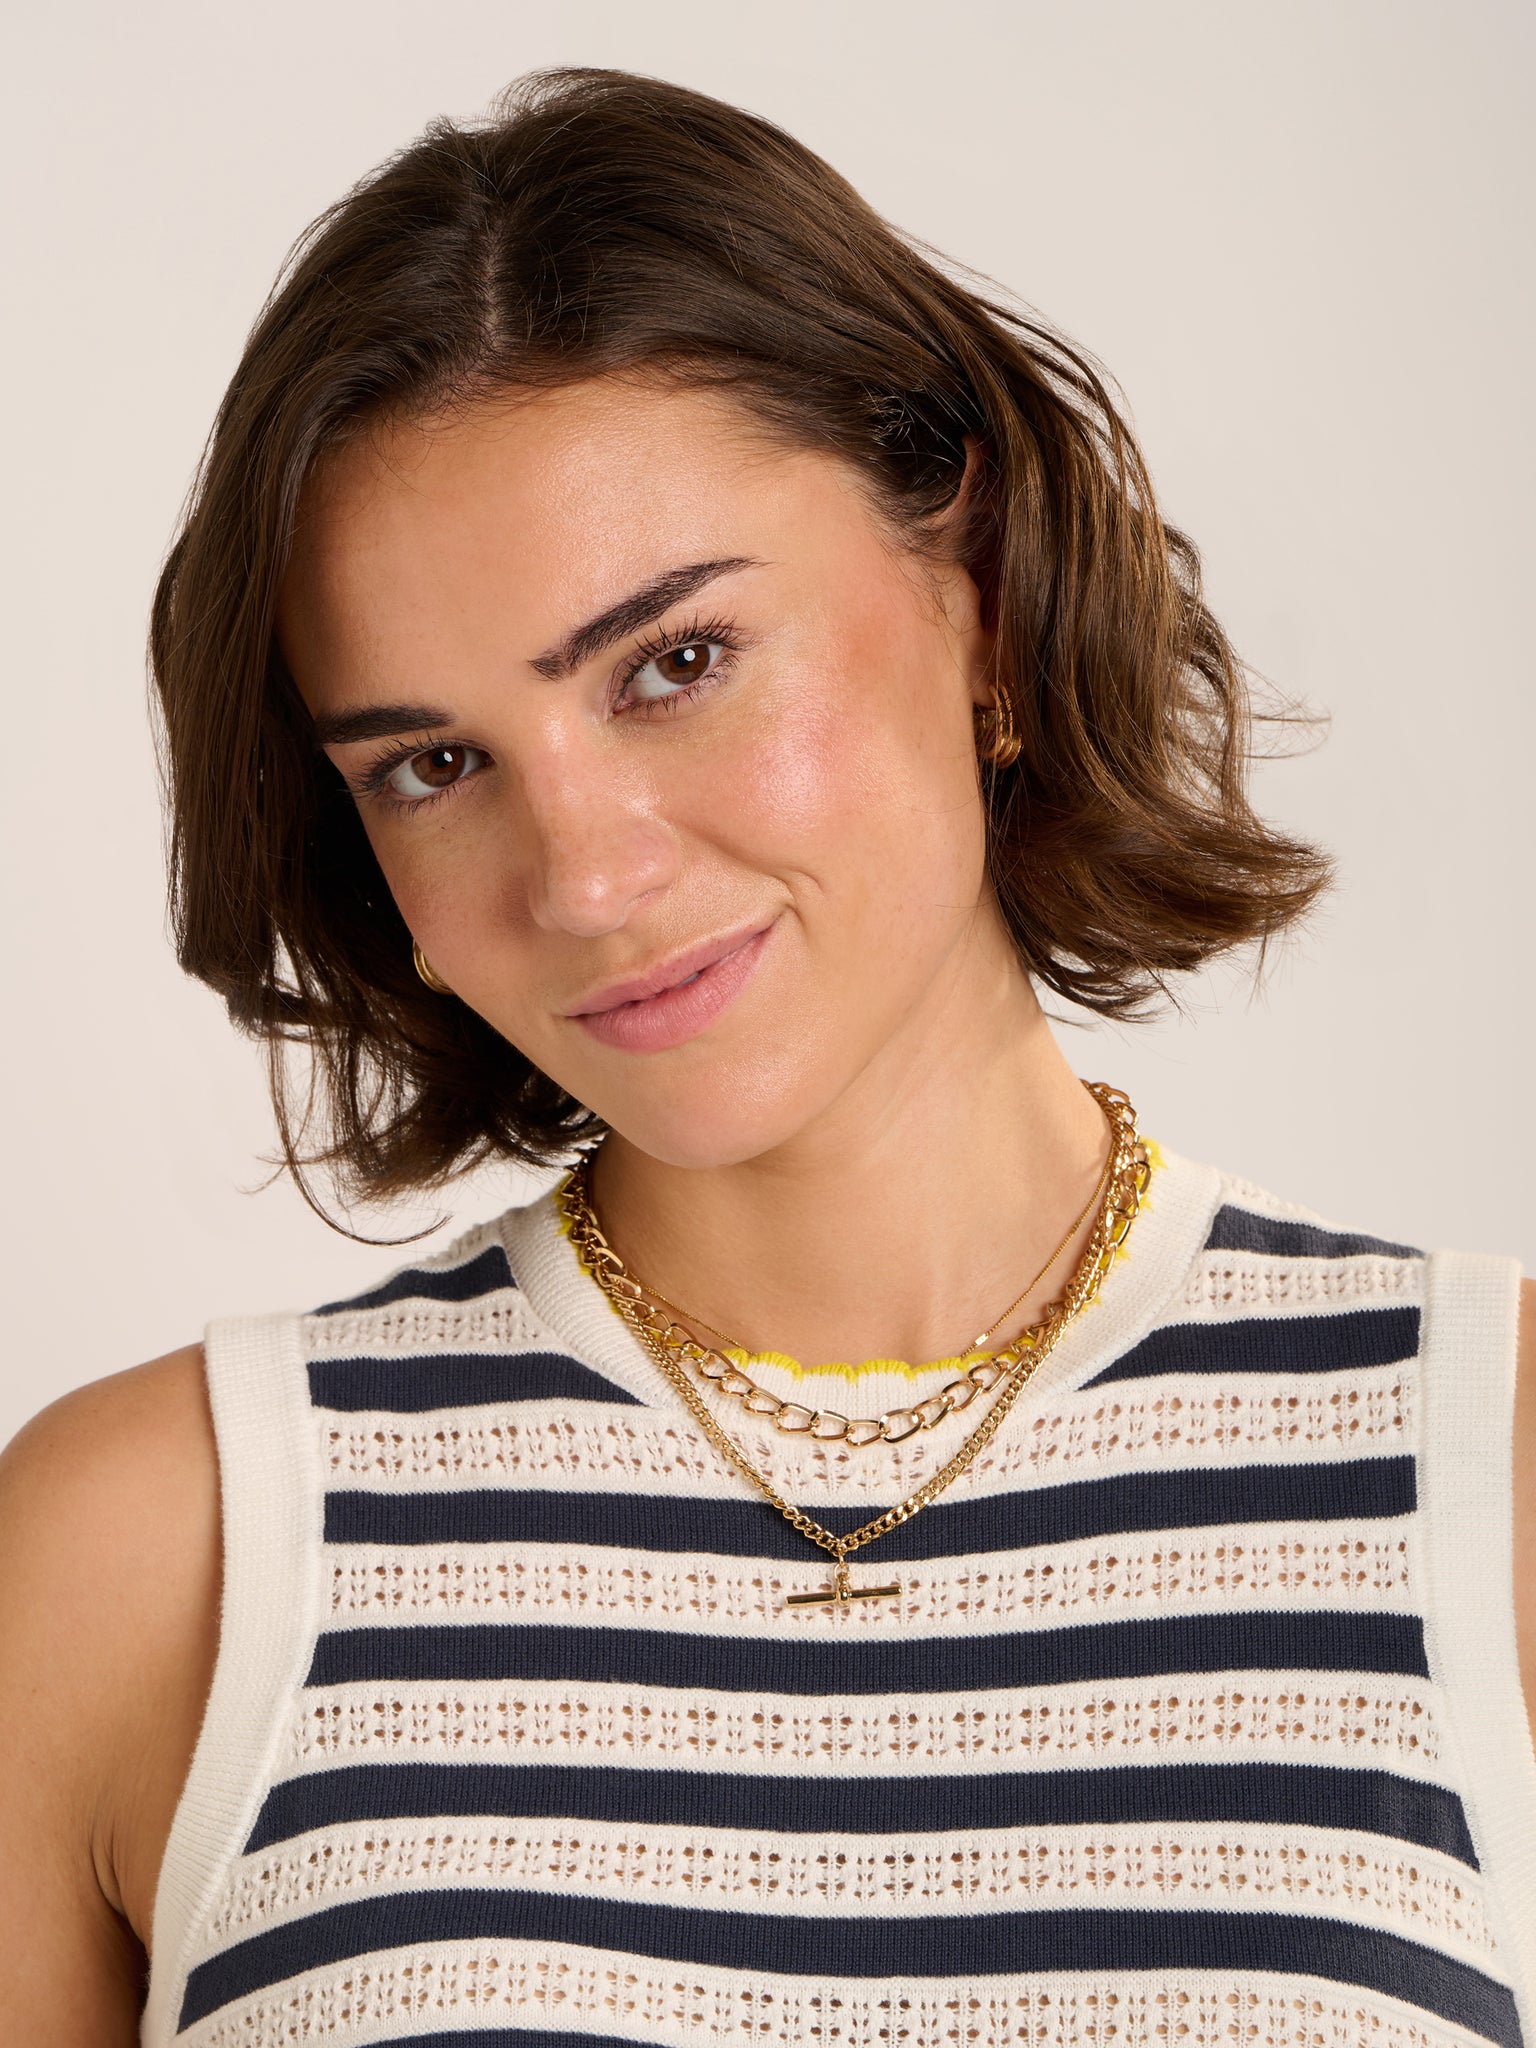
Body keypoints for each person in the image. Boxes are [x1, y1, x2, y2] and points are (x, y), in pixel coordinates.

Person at [1, 65, 1531, 2048]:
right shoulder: (147, 1562)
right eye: (435, 763)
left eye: (676, 662)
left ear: (983, 597)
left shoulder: (1489, 1476)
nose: (585, 875)